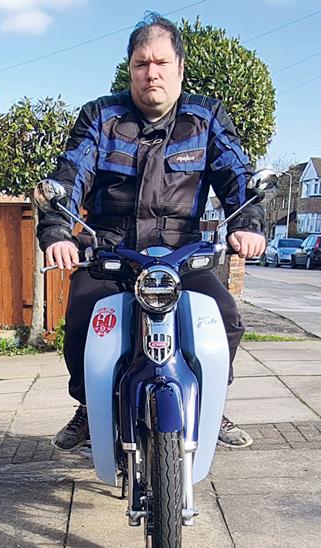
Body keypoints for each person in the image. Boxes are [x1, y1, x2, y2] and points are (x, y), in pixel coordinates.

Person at [36, 13, 266, 452]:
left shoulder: (207, 118)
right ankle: (90, 406)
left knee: (226, 320)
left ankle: (209, 403)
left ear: (180, 67)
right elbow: (70, 174)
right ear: (130, 69)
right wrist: (57, 231)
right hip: (110, 250)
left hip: (181, 255)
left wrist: (248, 224)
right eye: (141, 63)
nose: (151, 72)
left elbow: (238, 176)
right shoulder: (100, 117)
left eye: (161, 62)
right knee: (81, 322)